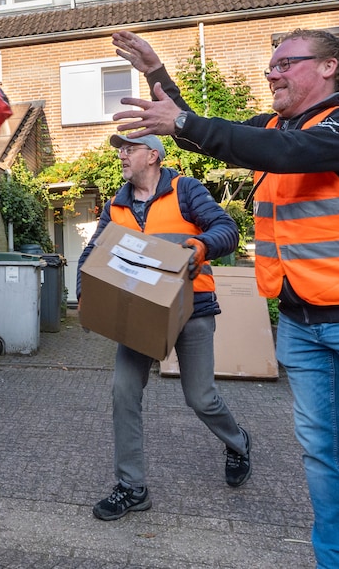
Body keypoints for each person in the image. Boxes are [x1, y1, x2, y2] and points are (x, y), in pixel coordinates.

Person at [110, 28, 339, 569]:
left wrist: (186, 122)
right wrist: (156, 73)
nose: (273, 74)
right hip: (301, 323)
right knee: (322, 454)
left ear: (332, 66)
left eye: (286, 63)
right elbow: (204, 135)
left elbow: (286, 152)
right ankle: (337, 561)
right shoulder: (271, 129)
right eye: (271, 66)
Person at [77, 132, 249, 522]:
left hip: (193, 308)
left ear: (152, 155)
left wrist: (203, 245)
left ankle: (237, 443)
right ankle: (132, 487)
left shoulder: (185, 189)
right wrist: (84, 289)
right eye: (119, 149)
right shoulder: (116, 206)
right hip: (139, 313)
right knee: (123, 390)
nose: (121, 155)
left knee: (200, 398)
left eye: (129, 148)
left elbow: (226, 228)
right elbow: (94, 251)